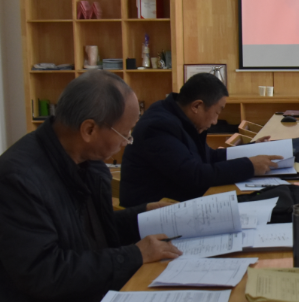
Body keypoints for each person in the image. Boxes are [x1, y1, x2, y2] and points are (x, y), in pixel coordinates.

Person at [0, 70, 184, 302]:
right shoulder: (17, 181)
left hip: (83, 299)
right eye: (125, 133)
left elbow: (89, 231)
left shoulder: (83, 161)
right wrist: (133, 256)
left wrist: (143, 216)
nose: (127, 142)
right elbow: (45, 273)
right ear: (89, 129)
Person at [119, 73, 282, 207]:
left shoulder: (179, 117)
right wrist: (249, 166)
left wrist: (251, 150)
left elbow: (208, 156)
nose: (215, 121)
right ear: (196, 106)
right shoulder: (159, 127)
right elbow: (194, 176)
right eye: (217, 112)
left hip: (177, 202)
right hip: (154, 215)